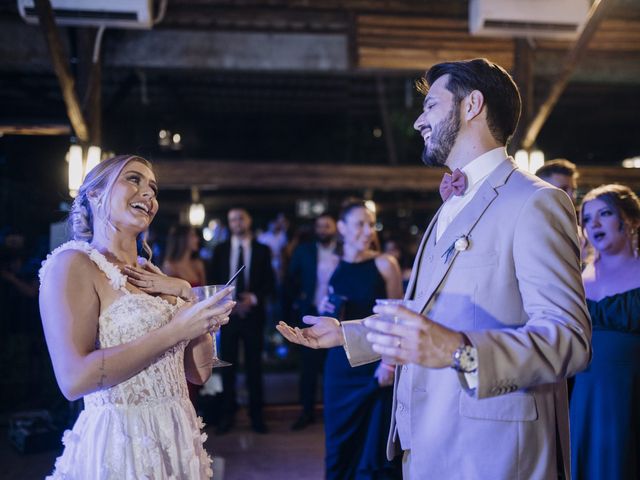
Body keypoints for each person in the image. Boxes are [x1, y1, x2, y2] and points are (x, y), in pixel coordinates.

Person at [278, 58, 592, 479]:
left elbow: (568, 341)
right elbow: (433, 316)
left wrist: (459, 352)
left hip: (492, 451)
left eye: (431, 106)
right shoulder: (450, 205)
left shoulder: (536, 202)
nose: (418, 122)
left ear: (472, 105)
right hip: (428, 440)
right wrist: (348, 333)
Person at [38, 155, 235, 479]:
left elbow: (198, 374)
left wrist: (188, 295)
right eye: (133, 180)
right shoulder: (73, 265)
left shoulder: (155, 274)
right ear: (95, 194)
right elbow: (73, 380)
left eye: (153, 189)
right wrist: (175, 331)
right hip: (121, 441)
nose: (148, 194)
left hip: (177, 436)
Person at [320, 198, 403, 479]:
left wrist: (390, 365)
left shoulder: (384, 264)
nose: (368, 230)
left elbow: (398, 319)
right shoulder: (333, 265)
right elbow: (325, 309)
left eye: (371, 224)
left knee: (373, 449)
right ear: (342, 227)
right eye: (360, 224)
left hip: (375, 364)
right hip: (339, 368)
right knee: (338, 445)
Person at [570, 184, 640, 479]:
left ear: (631, 220)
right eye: (587, 218)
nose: (594, 224)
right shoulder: (573, 279)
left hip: (631, 393)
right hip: (585, 394)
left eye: (605, 214)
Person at [209, 207, 275, 434]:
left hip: (253, 316)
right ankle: (228, 414)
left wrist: (253, 298)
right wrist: (227, 304)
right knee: (228, 366)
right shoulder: (220, 250)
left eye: (240, 218)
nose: (236, 222)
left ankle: (257, 415)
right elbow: (214, 281)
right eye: (232, 219)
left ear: (248, 221)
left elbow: (270, 283)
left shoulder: (262, 250)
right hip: (229, 316)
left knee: (254, 367)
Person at [287, 213, 339, 430]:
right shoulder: (305, 250)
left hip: (339, 317)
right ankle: (306, 412)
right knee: (308, 369)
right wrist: (298, 303)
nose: (323, 229)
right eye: (319, 226)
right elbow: (290, 279)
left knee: (334, 369)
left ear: (335, 227)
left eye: (327, 225)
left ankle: (335, 413)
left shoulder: (345, 251)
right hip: (311, 313)